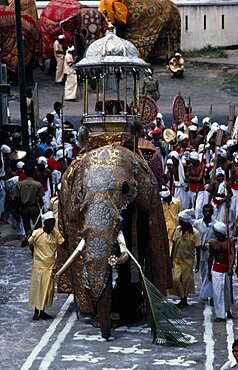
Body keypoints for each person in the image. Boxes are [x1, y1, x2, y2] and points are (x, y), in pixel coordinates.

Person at [21, 211, 65, 320]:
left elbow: (64, 245)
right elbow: (24, 245)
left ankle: (43, 311)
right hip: (39, 267)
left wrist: (66, 236)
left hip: (50, 266)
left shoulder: (55, 233)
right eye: (49, 224)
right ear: (44, 223)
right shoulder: (37, 233)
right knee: (38, 289)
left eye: (53, 224)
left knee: (47, 290)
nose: (51, 226)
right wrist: (27, 236)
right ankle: (36, 312)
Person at [170, 209, 201, 308]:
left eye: (180, 220)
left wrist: (198, 263)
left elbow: (198, 249)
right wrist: (171, 259)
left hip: (188, 261)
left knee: (186, 282)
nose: (179, 221)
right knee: (175, 280)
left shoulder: (195, 233)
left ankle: (184, 299)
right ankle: (182, 297)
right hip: (177, 259)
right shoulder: (177, 230)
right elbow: (174, 245)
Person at [208, 221, 234, 322]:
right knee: (217, 292)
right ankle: (220, 315)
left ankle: (227, 310)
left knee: (227, 291)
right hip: (217, 269)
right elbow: (210, 257)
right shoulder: (212, 243)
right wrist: (209, 272)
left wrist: (231, 267)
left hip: (226, 268)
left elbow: (232, 255)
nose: (214, 234)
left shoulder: (230, 242)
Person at [14, 165, 44, 237]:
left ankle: (29, 239)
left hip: (24, 208)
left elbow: (17, 199)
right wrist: (42, 210)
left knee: (26, 226)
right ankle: (37, 240)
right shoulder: (37, 184)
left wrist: (16, 211)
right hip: (34, 207)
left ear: (24, 172)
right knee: (38, 226)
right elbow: (40, 199)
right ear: (33, 173)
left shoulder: (19, 184)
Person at [193, 204, 215, 303]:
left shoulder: (215, 224)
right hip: (200, 253)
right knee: (203, 273)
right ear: (202, 212)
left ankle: (211, 295)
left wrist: (211, 246)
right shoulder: (197, 224)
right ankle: (206, 293)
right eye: (205, 211)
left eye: (209, 211)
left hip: (211, 253)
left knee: (210, 274)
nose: (207, 213)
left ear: (212, 212)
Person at [159, 187, 182, 254]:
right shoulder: (161, 203)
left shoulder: (177, 202)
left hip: (175, 229)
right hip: (165, 229)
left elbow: (180, 214)